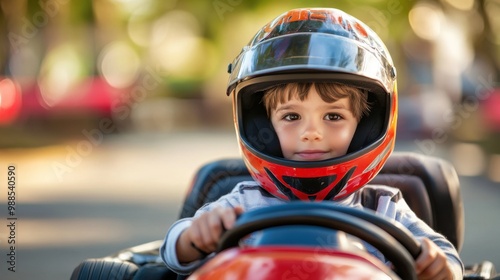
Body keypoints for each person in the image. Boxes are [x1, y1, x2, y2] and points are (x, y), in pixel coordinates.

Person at [160, 7, 464, 279]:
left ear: (366, 128)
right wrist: (196, 237)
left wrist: (440, 266)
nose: (311, 133)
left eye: (333, 116)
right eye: (292, 117)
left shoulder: (385, 208)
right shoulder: (241, 204)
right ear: (264, 125)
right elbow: (173, 252)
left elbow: (445, 255)